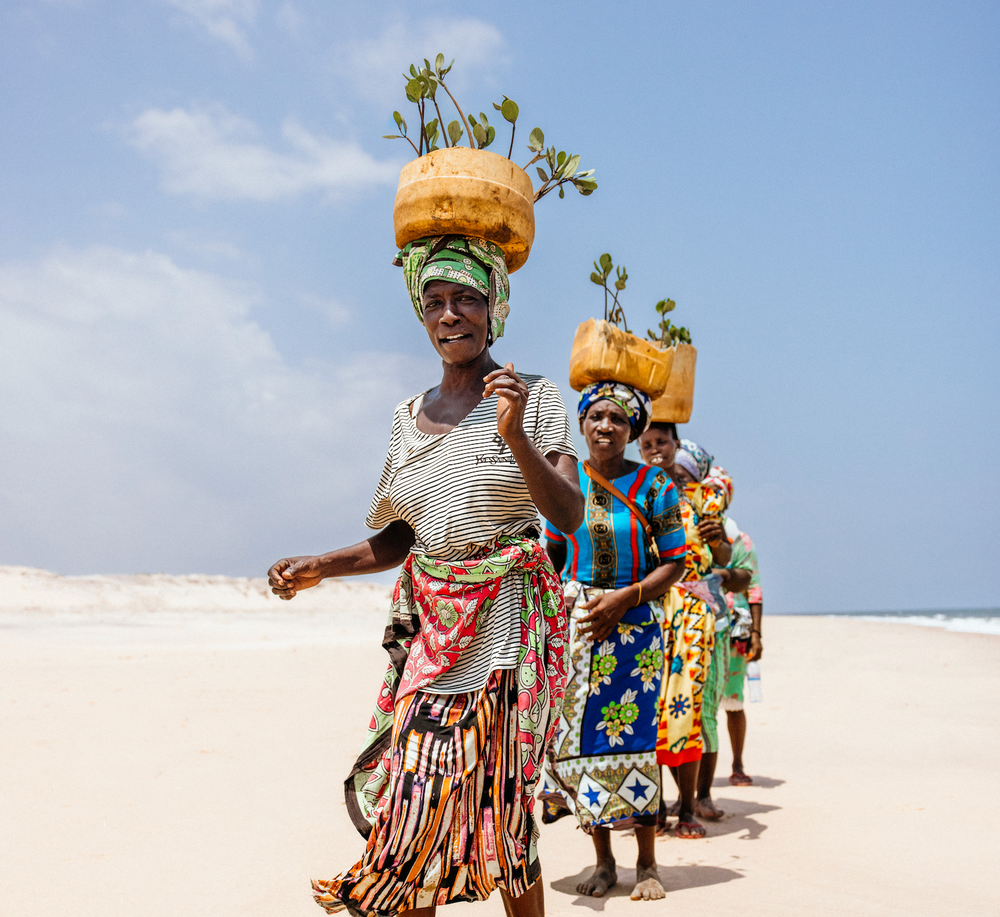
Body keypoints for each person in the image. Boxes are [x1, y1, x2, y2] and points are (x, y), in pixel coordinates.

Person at [267, 235, 584, 917]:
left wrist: (517, 435)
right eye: (436, 300)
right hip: (429, 640)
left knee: (499, 813)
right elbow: (403, 535)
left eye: (467, 297)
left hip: (502, 637)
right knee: (410, 814)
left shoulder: (535, 395)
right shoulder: (405, 419)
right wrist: (323, 564)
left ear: (495, 304)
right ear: (420, 311)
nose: (450, 314)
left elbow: (568, 511)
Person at [540, 382, 687, 901]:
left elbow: (676, 560)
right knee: (579, 745)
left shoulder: (655, 486)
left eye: (618, 419)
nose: (605, 426)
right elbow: (553, 554)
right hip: (577, 627)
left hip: (634, 634)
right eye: (596, 416)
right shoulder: (567, 482)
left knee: (635, 740)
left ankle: (647, 863)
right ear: (581, 423)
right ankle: (603, 862)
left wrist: (625, 599)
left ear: (634, 430)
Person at [636, 430, 731, 839]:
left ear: (676, 445)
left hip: (693, 612)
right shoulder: (639, 495)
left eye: (661, 442)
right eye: (647, 445)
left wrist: (717, 539)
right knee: (650, 709)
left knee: (687, 709)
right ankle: (654, 808)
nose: (655, 450)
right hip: (651, 608)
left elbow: (721, 556)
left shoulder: (702, 498)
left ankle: (688, 808)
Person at [720, 517, 763, 786]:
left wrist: (756, 634)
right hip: (696, 625)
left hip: (735, 630)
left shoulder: (740, 539)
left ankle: (737, 764)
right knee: (698, 704)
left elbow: (754, 587)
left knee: (734, 700)